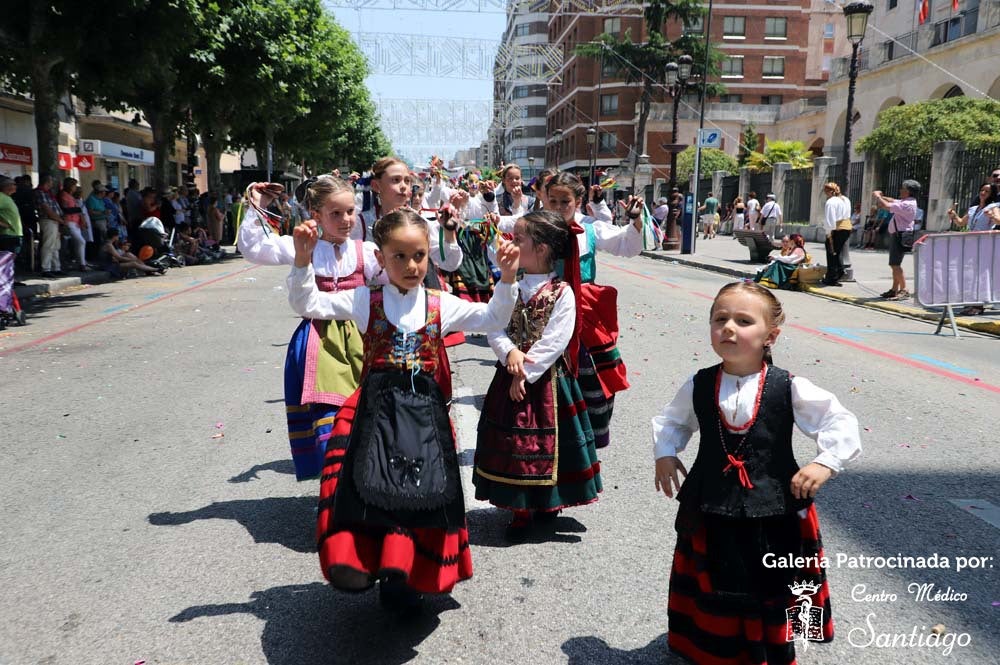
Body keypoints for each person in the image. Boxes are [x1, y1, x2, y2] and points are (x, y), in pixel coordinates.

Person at [287, 208, 520, 610]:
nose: (411, 266)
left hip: (422, 415)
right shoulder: (365, 299)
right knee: (365, 485)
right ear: (380, 258)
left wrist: (509, 278)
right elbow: (308, 303)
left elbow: (494, 316)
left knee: (421, 491)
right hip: (374, 411)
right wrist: (303, 260)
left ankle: (411, 568)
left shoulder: (440, 303)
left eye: (419, 256)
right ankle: (362, 561)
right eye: (400, 256)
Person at [652, 281, 861, 665]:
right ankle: (710, 648)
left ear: (771, 335)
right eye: (720, 319)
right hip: (712, 501)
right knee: (714, 576)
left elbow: (838, 420)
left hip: (773, 506)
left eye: (744, 320)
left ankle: (765, 651)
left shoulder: (789, 387)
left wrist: (824, 462)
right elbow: (673, 420)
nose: (728, 328)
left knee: (766, 581)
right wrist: (665, 453)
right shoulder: (700, 384)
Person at [473, 210, 600, 541]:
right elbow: (493, 325)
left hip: (548, 381)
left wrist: (524, 373)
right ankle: (519, 508)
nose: (511, 244)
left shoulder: (564, 293)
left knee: (549, 443)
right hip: (510, 372)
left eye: (519, 239)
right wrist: (510, 354)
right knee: (514, 444)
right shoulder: (508, 286)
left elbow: (556, 340)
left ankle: (546, 502)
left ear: (541, 249)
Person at [539, 171, 654, 449]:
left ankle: (586, 438)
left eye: (564, 201)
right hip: (545, 312)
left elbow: (627, 245)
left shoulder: (591, 228)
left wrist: (636, 220)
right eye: (552, 200)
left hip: (584, 314)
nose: (557, 207)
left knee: (594, 376)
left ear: (578, 200)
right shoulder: (537, 227)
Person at [872, 179, 919, 300]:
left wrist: (878, 197)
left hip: (900, 235)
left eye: (903, 188)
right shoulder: (907, 201)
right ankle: (894, 289)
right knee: (895, 264)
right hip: (899, 234)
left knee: (895, 264)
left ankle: (904, 289)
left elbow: (886, 205)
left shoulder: (907, 204)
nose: (900, 190)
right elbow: (892, 200)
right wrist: (883, 196)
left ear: (908, 191)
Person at [34, 175, 66, 277]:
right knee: (48, 244)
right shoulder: (40, 192)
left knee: (56, 246)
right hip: (48, 220)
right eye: (51, 181)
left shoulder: (48, 193)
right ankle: (45, 268)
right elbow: (47, 209)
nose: (53, 183)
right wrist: (60, 220)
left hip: (55, 221)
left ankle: (56, 267)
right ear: (47, 182)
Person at [821, 182, 852, 287]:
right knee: (837, 252)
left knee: (831, 252)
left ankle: (832, 277)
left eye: (826, 192)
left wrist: (828, 232)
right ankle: (839, 272)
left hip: (837, 228)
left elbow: (830, 219)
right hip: (846, 227)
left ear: (829, 191)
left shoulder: (831, 202)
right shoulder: (845, 199)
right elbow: (847, 214)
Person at [57, 177, 91, 271]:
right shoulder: (63, 195)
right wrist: (78, 209)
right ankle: (82, 264)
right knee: (81, 241)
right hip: (69, 221)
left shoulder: (71, 196)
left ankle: (81, 262)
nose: (75, 187)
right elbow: (65, 209)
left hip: (76, 222)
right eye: (74, 185)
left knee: (78, 243)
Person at [0, 176, 23, 256]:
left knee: (9, 262)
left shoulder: (7, 197)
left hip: (13, 235)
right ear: (7, 186)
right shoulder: (1, 197)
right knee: (8, 261)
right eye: (14, 184)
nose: (16, 186)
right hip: (9, 235)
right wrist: (3, 224)